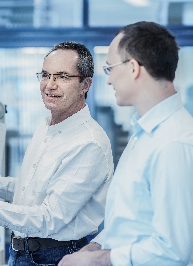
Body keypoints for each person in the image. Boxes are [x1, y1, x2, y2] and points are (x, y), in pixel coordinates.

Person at [0, 41, 114, 265]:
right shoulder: (47, 125)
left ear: (85, 85)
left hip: (55, 257)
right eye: (45, 75)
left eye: (62, 76)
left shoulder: (88, 143)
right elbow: (29, 195)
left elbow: (48, 219)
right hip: (23, 252)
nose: (49, 85)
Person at [59, 21, 193, 266]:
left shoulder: (174, 143)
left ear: (133, 68)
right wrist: (94, 247)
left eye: (109, 68)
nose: (108, 81)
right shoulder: (144, 133)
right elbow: (131, 221)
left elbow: (174, 250)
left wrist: (99, 260)